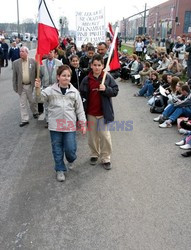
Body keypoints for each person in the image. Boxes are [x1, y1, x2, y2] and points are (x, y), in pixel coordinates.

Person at [35, 65, 86, 182]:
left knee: (70, 149)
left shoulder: (74, 92)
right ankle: (60, 169)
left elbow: (80, 109)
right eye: (63, 75)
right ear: (58, 77)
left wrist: (83, 124)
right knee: (57, 148)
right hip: (55, 125)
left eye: (68, 76)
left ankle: (71, 159)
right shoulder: (49, 91)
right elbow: (38, 99)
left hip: (69, 125)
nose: (66, 78)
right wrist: (37, 89)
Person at [80, 54, 119, 170]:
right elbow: (81, 95)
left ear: (103, 66)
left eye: (99, 65)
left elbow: (115, 91)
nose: (97, 67)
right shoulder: (87, 80)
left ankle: (106, 157)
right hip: (91, 113)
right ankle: (94, 153)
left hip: (103, 113)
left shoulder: (107, 77)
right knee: (92, 137)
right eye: (95, 65)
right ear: (91, 66)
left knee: (105, 136)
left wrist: (106, 89)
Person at [12, 46, 39, 127]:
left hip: (30, 86)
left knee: (32, 101)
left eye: (23, 51)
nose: (21, 53)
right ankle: (24, 119)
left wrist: (37, 84)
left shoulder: (33, 62)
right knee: (22, 104)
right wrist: (15, 87)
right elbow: (14, 77)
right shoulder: (16, 63)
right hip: (21, 86)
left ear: (27, 53)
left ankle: (35, 112)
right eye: (20, 51)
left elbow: (37, 73)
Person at [40, 49, 63, 127]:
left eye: (51, 52)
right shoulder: (42, 63)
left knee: (56, 104)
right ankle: (48, 121)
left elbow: (62, 75)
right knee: (46, 105)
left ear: (54, 53)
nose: (49, 54)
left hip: (56, 86)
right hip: (46, 86)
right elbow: (39, 75)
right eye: (48, 52)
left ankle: (56, 119)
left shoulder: (59, 63)